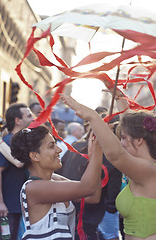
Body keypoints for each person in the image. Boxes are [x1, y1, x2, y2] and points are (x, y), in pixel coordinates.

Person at [60, 93, 156, 240]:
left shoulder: (148, 169)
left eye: (123, 138)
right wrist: (119, 97)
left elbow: (116, 155)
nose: (121, 142)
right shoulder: (141, 166)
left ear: (139, 141)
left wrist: (92, 116)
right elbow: (130, 129)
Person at [10, 124, 103, 240]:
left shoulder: (54, 179)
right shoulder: (33, 188)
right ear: (34, 156)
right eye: (51, 146)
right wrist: (97, 149)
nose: (59, 150)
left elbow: (93, 197)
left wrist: (95, 154)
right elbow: (87, 188)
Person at [58, 114, 122, 240]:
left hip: (64, 215)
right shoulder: (111, 157)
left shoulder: (75, 146)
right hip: (87, 221)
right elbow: (111, 200)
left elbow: (59, 173)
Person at [0, 103, 34, 240]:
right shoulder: (8, 141)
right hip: (7, 208)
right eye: (29, 115)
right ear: (18, 120)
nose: (33, 118)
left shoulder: (18, 140)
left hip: (18, 205)